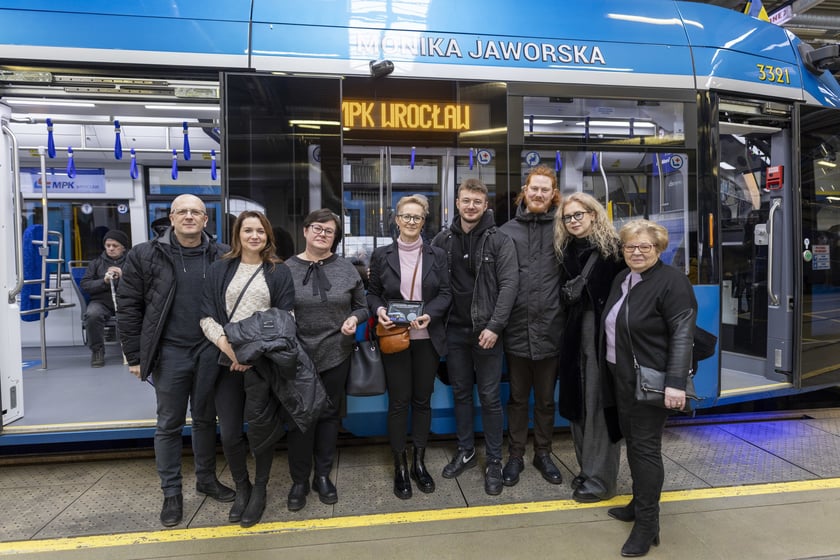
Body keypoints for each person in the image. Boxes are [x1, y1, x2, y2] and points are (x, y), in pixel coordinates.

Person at [117, 194, 235, 528]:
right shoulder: (146, 254)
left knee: (203, 419)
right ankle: (172, 492)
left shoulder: (221, 254)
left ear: (205, 220)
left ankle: (206, 479)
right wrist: (136, 356)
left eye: (195, 212)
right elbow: (128, 307)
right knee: (168, 423)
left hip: (209, 350)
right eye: (181, 211)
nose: (188, 217)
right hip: (169, 352)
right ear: (170, 218)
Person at [602, 219, 697, 557]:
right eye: (630, 246)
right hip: (622, 376)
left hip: (650, 381)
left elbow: (683, 335)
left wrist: (675, 383)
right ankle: (638, 502)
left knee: (644, 450)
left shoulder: (672, 282)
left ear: (658, 249)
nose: (637, 252)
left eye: (645, 246)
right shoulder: (623, 278)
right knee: (634, 443)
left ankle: (647, 524)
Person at [200, 210, 297, 527]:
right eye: (248, 230)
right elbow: (206, 316)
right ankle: (242, 487)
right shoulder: (219, 269)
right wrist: (231, 350)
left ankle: (260, 491)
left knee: (261, 432)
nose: (254, 236)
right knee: (229, 434)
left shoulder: (278, 272)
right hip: (226, 360)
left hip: (263, 363)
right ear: (237, 235)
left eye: (260, 231)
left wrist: (252, 354)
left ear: (268, 236)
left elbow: (287, 319)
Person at [431, 179, 518, 496]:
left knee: (491, 398)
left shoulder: (500, 241)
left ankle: (494, 460)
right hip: (454, 331)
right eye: (466, 200)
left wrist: (495, 327)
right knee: (462, 394)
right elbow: (431, 282)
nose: (471, 206)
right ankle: (466, 451)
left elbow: (509, 287)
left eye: (477, 202)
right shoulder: (443, 240)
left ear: (486, 206)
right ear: (457, 203)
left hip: (487, 332)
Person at [367, 194, 451, 499]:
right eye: (406, 216)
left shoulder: (437, 255)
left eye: (417, 217)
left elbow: (445, 293)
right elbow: (373, 293)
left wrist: (431, 314)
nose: (411, 222)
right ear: (396, 219)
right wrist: (379, 312)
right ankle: (400, 466)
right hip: (395, 337)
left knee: (422, 401)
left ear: (424, 221)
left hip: (427, 339)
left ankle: (419, 462)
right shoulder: (381, 255)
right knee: (399, 402)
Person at [284, 209, 368, 511]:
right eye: (317, 228)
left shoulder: (347, 269)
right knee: (299, 420)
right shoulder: (285, 269)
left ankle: (322, 475)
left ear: (335, 237)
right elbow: (277, 313)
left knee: (329, 417)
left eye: (329, 231)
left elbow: (364, 307)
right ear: (305, 231)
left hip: (336, 353)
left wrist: (354, 320)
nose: (322, 234)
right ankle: (298, 481)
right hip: (296, 357)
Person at [554, 192, 625, 503]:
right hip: (573, 339)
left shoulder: (615, 250)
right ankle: (587, 470)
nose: (573, 221)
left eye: (578, 214)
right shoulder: (565, 250)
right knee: (578, 407)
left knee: (600, 408)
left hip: (602, 340)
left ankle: (602, 481)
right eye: (567, 217)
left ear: (594, 214)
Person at [499, 165, 564, 487]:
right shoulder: (506, 231)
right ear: (524, 192)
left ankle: (543, 453)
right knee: (517, 399)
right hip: (516, 331)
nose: (538, 194)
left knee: (547, 400)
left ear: (553, 195)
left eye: (545, 189)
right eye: (533, 188)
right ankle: (514, 456)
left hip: (552, 329)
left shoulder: (563, 230)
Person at [80, 229, 129, 367]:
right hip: (101, 302)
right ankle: (97, 351)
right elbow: (85, 285)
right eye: (108, 245)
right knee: (92, 315)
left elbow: (141, 283)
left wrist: (123, 275)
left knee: (140, 313)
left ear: (123, 248)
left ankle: (134, 350)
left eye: (115, 246)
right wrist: (104, 281)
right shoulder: (95, 264)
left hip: (126, 300)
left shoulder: (132, 262)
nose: (111, 249)